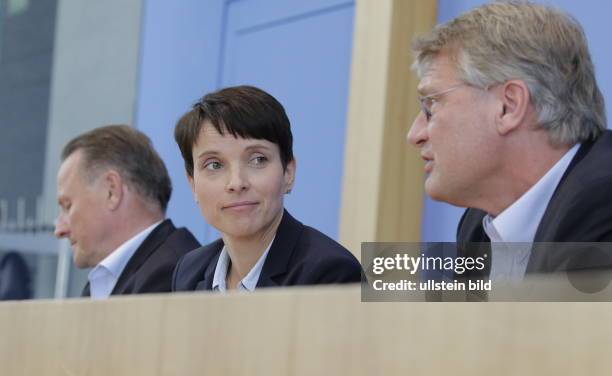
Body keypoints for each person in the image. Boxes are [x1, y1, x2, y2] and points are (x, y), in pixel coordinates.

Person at [406, 2, 612, 280]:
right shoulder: (478, 226)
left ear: (508, 106)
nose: (415, 135)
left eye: (432, 105)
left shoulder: (602, 204)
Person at [172, 85, 361, 291]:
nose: (236, 183)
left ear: (288, 172)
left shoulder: (329, 272)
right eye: (214, 165)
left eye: (258, 160)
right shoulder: (189, 272)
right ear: (192, 184)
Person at [54, 125, 199, 298]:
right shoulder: (106, 280)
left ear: (111, 191)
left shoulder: (179, 275)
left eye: (67, 205)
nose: (59, 230)